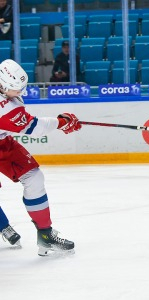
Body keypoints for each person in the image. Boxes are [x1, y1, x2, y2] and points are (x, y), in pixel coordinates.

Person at [0, 59, 81, 255]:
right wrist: (62, 122)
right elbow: (34, 128)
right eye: (17, 89)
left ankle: (45, 235)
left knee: (34, 177)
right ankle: (3, 225)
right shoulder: (5, 110)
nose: (21, 92)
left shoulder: (7, 95)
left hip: (3, 142)